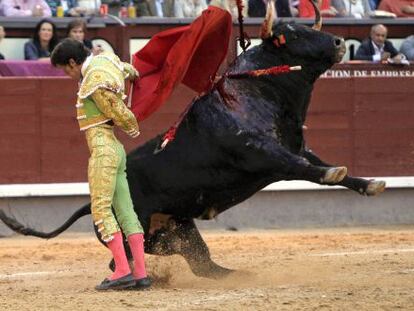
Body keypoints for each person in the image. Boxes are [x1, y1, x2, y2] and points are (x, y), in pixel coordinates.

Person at [51, 38, 151, 291]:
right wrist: (133, 72)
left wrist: (131, 125)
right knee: (125, 210)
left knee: (101, 209)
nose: (67, 74)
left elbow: (114, 107)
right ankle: (140, 272)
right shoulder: (107, 60)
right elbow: (125, 67)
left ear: (73, 62)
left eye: (66, 69)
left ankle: (122, 270)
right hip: (116, 150)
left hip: (103, 149)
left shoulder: (94, 78)